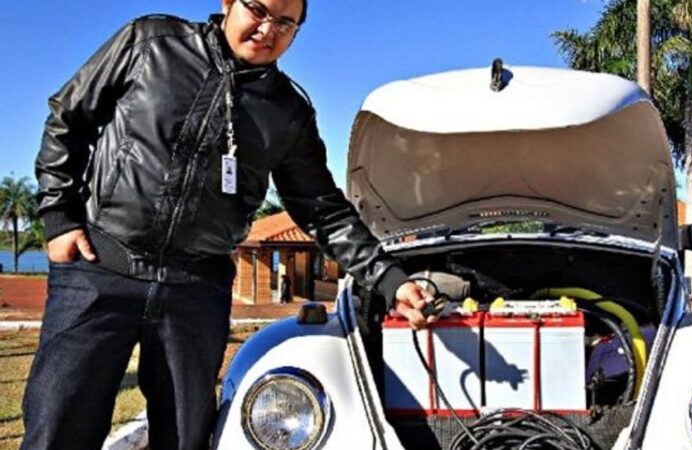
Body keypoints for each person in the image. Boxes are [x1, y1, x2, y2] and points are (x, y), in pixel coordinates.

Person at [23, 0, 434, 448]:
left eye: (284, 22)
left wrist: (391, 279)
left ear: (297, 30)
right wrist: (60, 217)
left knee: (185, 438)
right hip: (101, 267)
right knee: (58, 429)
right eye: (258, 9)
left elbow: (323, 210)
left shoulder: (289, 112)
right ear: (227, 4)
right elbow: (69, 117)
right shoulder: (151, 43)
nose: (267, 28)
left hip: (195, 290)